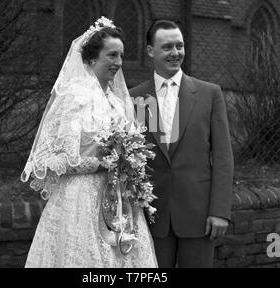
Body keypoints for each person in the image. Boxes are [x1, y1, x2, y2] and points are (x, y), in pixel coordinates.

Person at [21, 17, 158, 268]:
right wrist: (101, 164)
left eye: (121, 56)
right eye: (112, 55)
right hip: (80, 199)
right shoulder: (74, 97)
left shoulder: (117, 102)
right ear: (93, 58)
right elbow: (52, 160)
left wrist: (128, 162)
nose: (118, 62)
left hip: (118, 198)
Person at [130, 20, 234, 268]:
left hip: (198, 215)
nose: (175, 53)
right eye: (167, 47)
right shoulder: (136, 98)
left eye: (180, 46)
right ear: (150, 51)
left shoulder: (209, 94)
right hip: (152, 216)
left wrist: (219, 211)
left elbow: (223, 158)